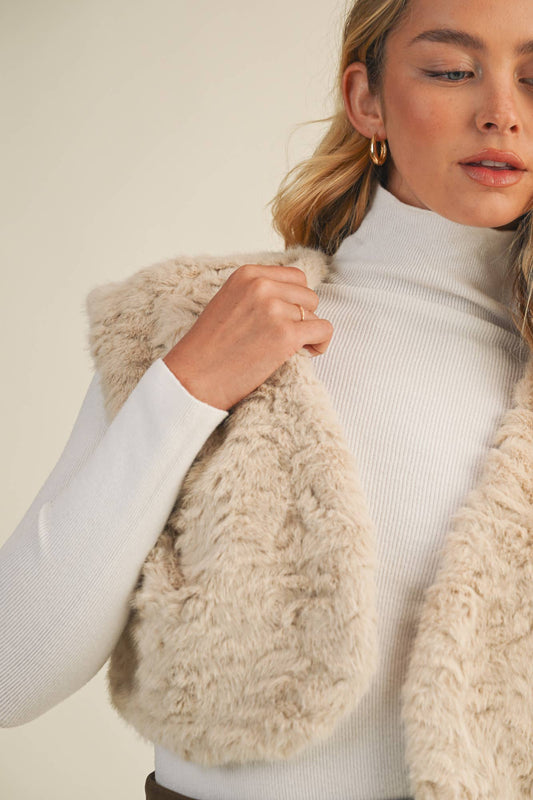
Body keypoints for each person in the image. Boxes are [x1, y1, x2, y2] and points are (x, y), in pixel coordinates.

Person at [2, 0, 533, 798]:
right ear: (366, 100)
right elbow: (11, 672)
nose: (500, 113)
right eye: (451, 71)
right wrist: (187, 389)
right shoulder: (188, 318)